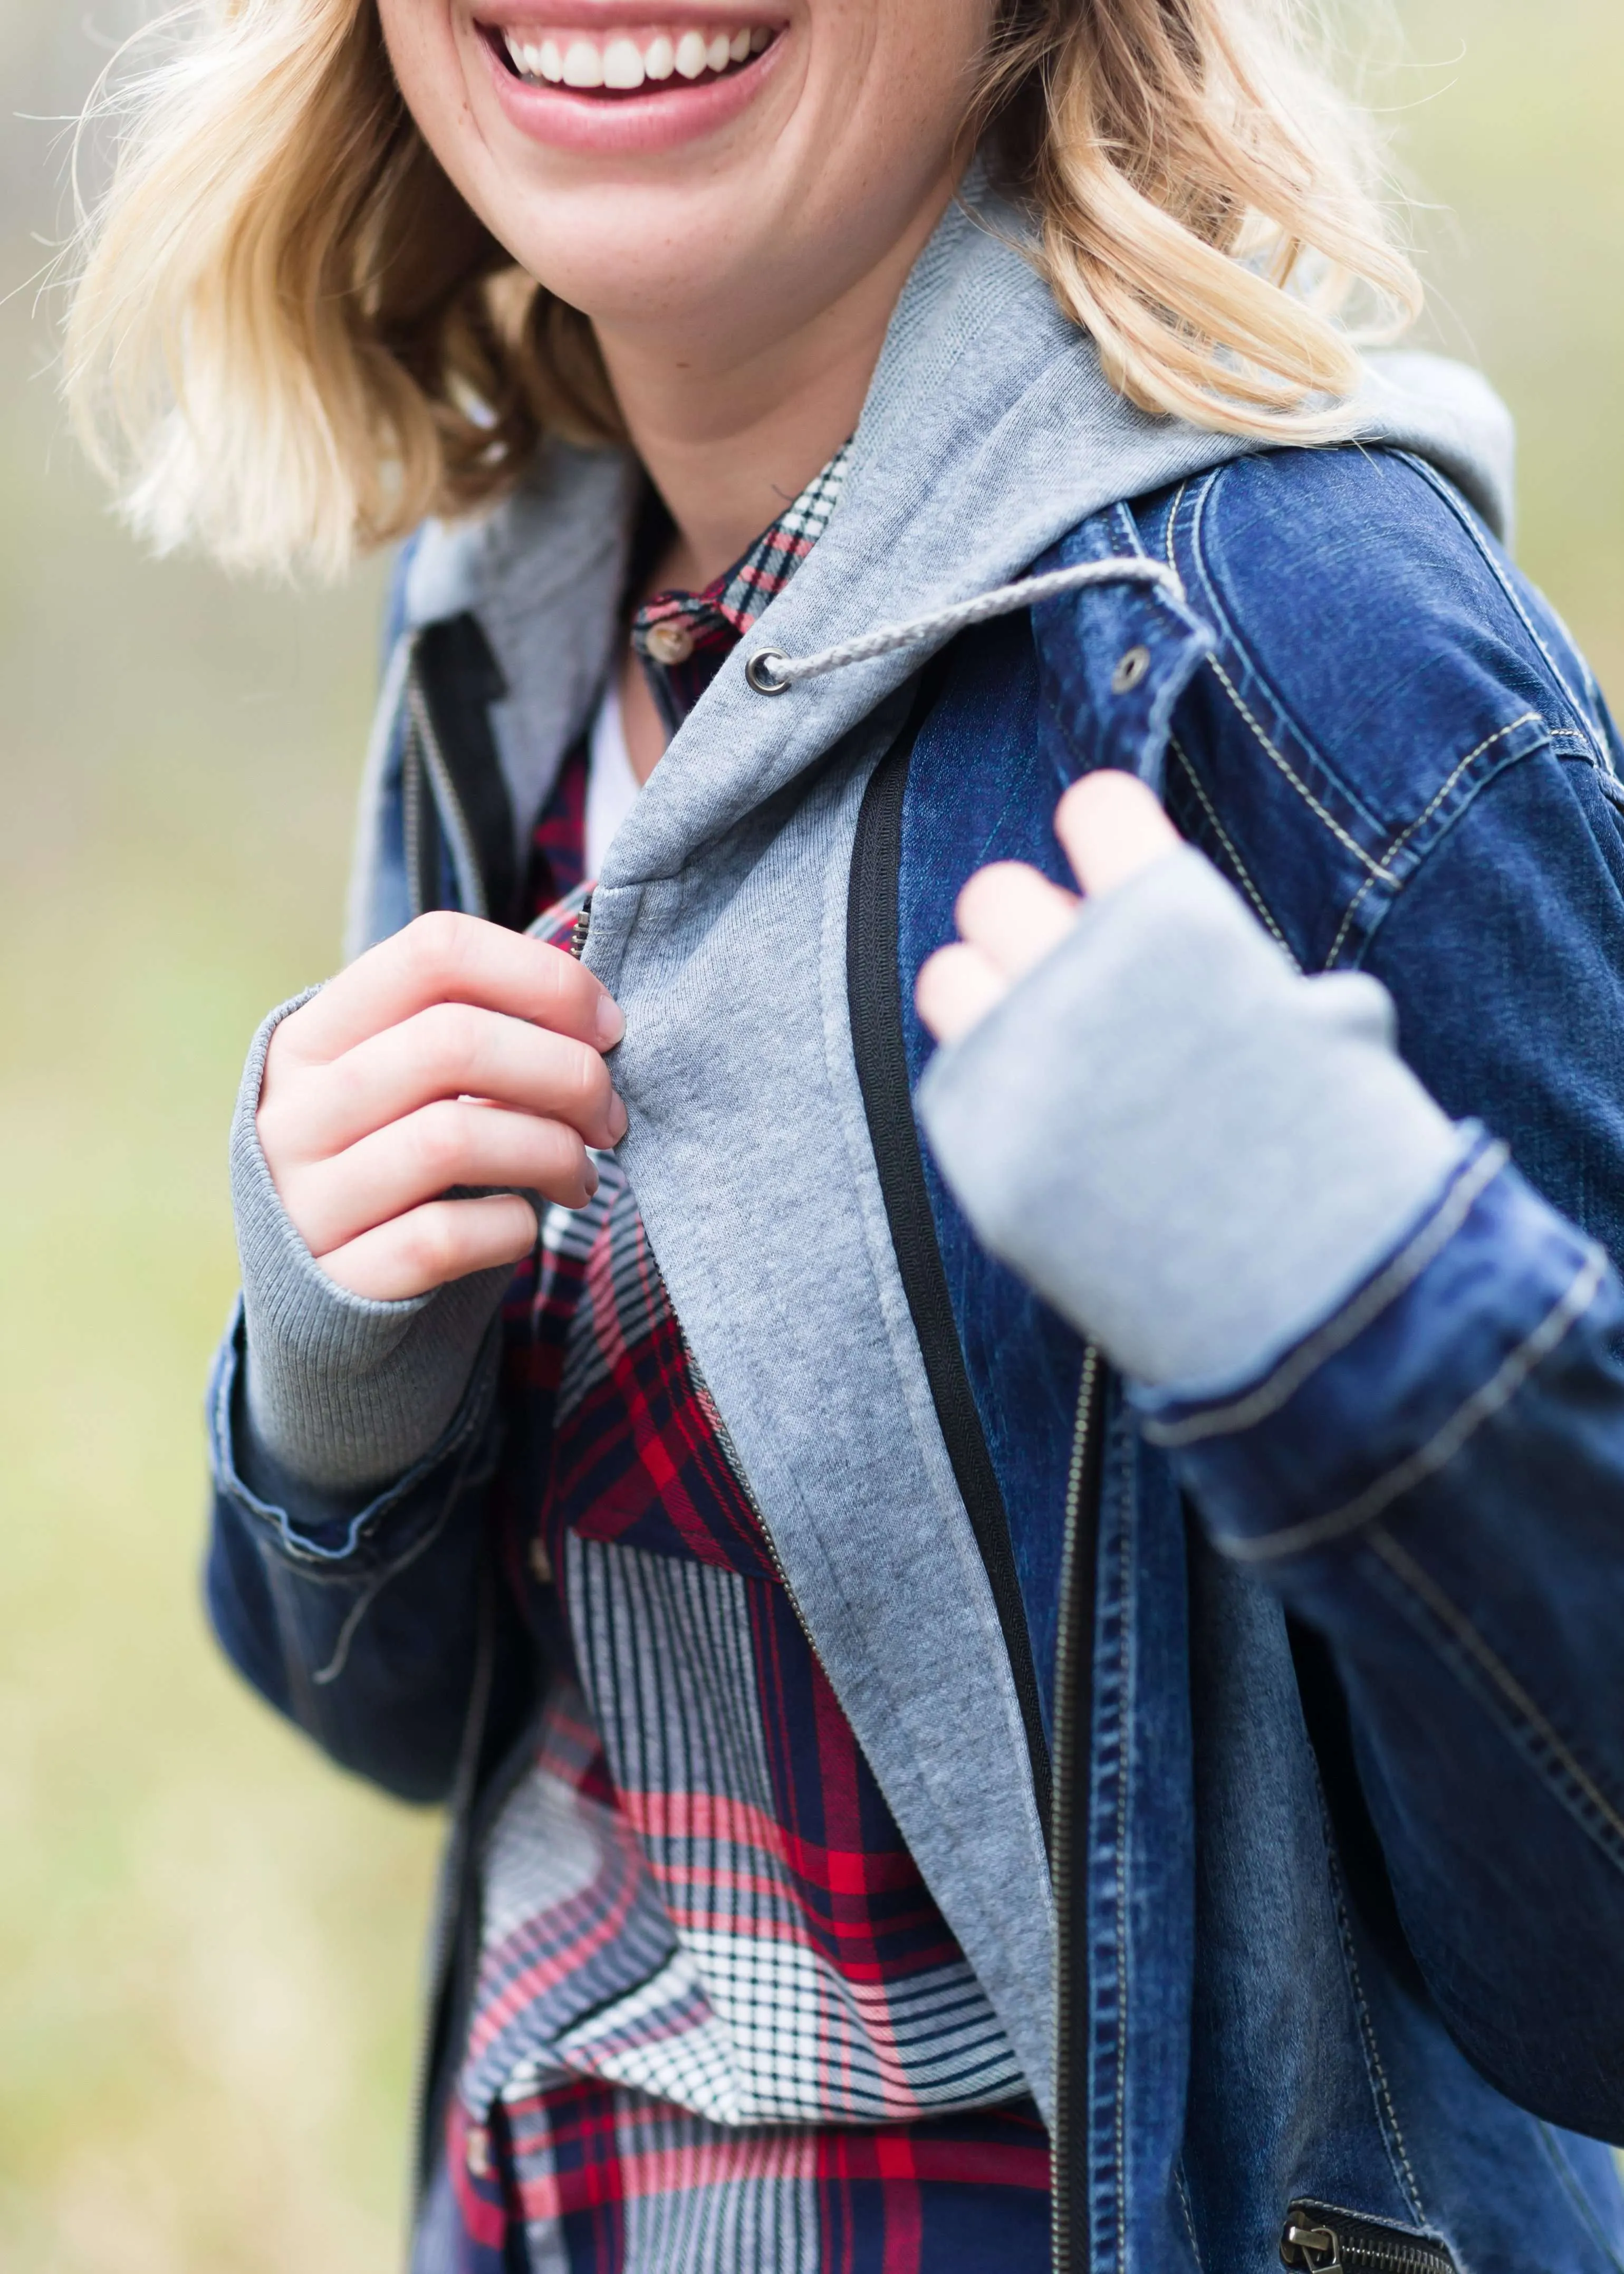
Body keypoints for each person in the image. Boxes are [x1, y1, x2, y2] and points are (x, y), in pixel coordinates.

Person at [65, 0, 1624, 2266]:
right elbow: (407, 1728)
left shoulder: (1311, 661)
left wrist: (1357, 1319)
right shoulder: (509, 613)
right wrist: (327, 1375)